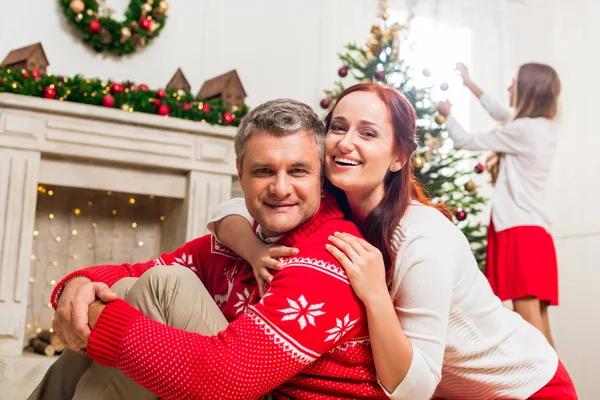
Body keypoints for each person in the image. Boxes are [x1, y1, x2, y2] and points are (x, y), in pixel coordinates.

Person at [210, 82, 577, 399]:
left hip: (525, 387)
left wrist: (376, 297)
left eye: (368, 133)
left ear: (398, 157)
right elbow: (231, 209)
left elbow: (414, 389)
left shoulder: (421, 237)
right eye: (338, 127)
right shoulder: (330, 200)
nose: (345, 143)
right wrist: (255, 251)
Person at [29, 99, 389, 400]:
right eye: (264, 170)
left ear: (320, 177)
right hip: (249, 388)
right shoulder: (242, 238)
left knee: (164, 286)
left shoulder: (330, 255)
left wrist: (97, 320)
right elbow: (136, 270)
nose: (280, 188)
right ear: (240, 174)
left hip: (250, 389)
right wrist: (77, 285)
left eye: (298, 171)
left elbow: (225, 379)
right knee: (126, 288)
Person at [436, 62, 561, 347]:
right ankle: (563, 390)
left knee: (531, 328)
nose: (508, 87)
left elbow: (466, 141)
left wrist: (447, 116)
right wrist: (470, 84)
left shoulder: (522, 130)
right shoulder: (542, 128)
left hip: (519, 232)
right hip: (538, 233)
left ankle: (547, 390)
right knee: (542, 326)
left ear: (528, 90)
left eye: (514, 82)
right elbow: (500, 113)